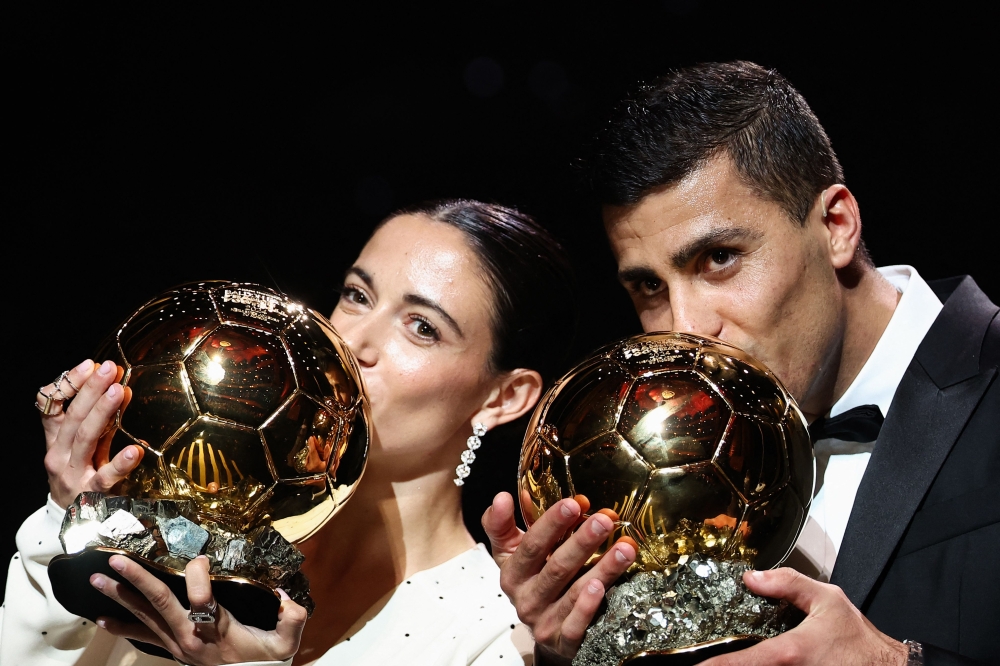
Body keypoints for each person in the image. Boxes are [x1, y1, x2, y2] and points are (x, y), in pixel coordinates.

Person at [483, 61, 999, 665]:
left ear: (836, 225)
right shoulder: (657, 482)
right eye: (649, 287)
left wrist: (897, 663)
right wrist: (578, 647)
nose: (686, 327)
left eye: (719, 258)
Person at [2, 199, 577, 666]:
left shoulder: (498, 635)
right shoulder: (188, 528)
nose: (354, 342)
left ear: (505, 397)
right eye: (357, 296)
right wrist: (68, 520)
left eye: (422, 327)